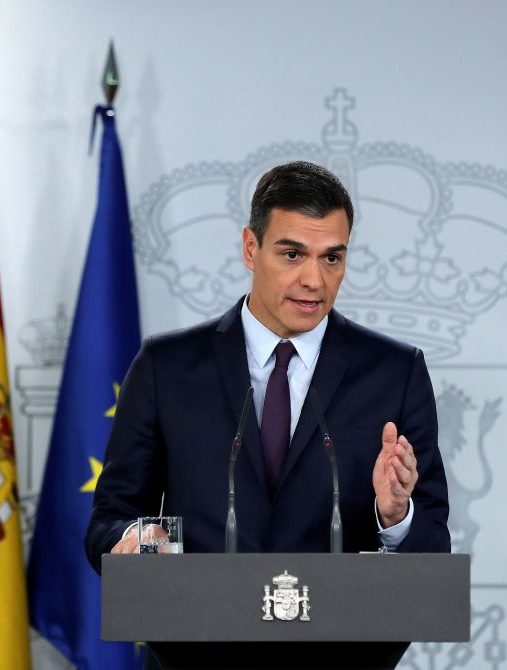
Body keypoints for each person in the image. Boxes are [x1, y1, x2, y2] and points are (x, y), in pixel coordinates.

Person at [85, 161, 449, 572]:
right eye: (292, 254)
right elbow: (109, 520)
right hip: (204, 613)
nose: (314, 280)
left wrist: (396, 517)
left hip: (336, 615)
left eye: (332, 258)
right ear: (250, 248)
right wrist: (139, 541)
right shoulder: (165, 367)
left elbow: (435, 547)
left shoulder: (395, 373)